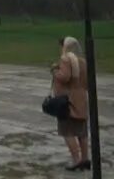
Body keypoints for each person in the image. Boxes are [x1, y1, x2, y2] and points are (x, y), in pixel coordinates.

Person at [52, 36, 91, 171]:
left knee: (67, 130)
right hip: (81, 98)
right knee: (81, 131)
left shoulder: (66, 59)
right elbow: (87, 81)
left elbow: (65, 76)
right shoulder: (83, 61)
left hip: (68, 100)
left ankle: (76, 159)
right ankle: (85, 158)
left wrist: (55, 70)